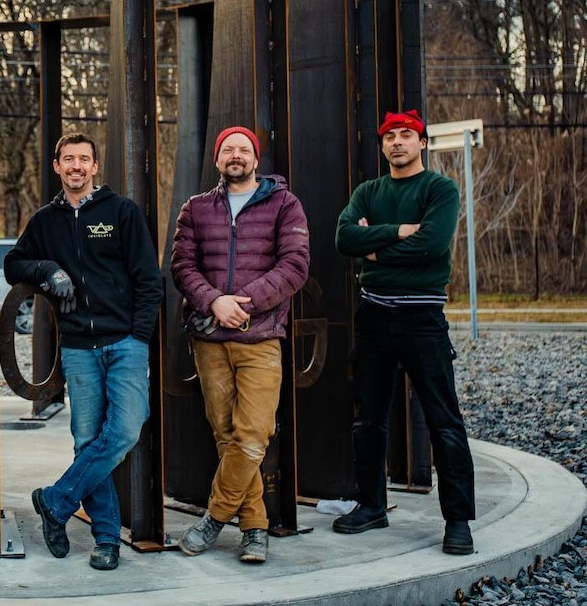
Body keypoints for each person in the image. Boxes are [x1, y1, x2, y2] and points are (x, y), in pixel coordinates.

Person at [5, 132, 162, 571]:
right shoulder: (44, 221)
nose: (76, 166)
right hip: (77, 347)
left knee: (126, 430)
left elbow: (149, 279)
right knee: (87, 440)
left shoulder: (121, 212)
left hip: (124, 342)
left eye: (84, 159)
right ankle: (107, 538)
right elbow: (13, 263)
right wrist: (49, 269)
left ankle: (55, 500)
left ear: (95, 167)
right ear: (57, 166)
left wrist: (139, 337)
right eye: (68, 159)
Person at [333, 109, 476, 555]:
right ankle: (371, 504)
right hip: (374, 316)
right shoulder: (368, 191)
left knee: (443, 419)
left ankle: (458, 521)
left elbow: (432, 245)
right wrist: (397, 233)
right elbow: (342, 239)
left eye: (406, 136)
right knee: (368, 418)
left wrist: (373, 250)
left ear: (422, 144)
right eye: (390, 137)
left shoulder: (439, 188)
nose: (397, 143)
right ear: (382, 146)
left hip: (423, 319)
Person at [169, 126, 310, 564]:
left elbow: (295, 265)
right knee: (225, 433)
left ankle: (214, 518)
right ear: (217, 160)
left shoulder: (285, 204)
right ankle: (253, 528)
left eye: (243, 149)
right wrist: (215, 302)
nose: (235, 155)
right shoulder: (195, 209)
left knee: (253, 434)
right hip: (210, 338)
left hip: (260, 336)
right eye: (228, 149)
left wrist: (243, 304)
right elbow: (182, 266)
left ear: (255, 159)